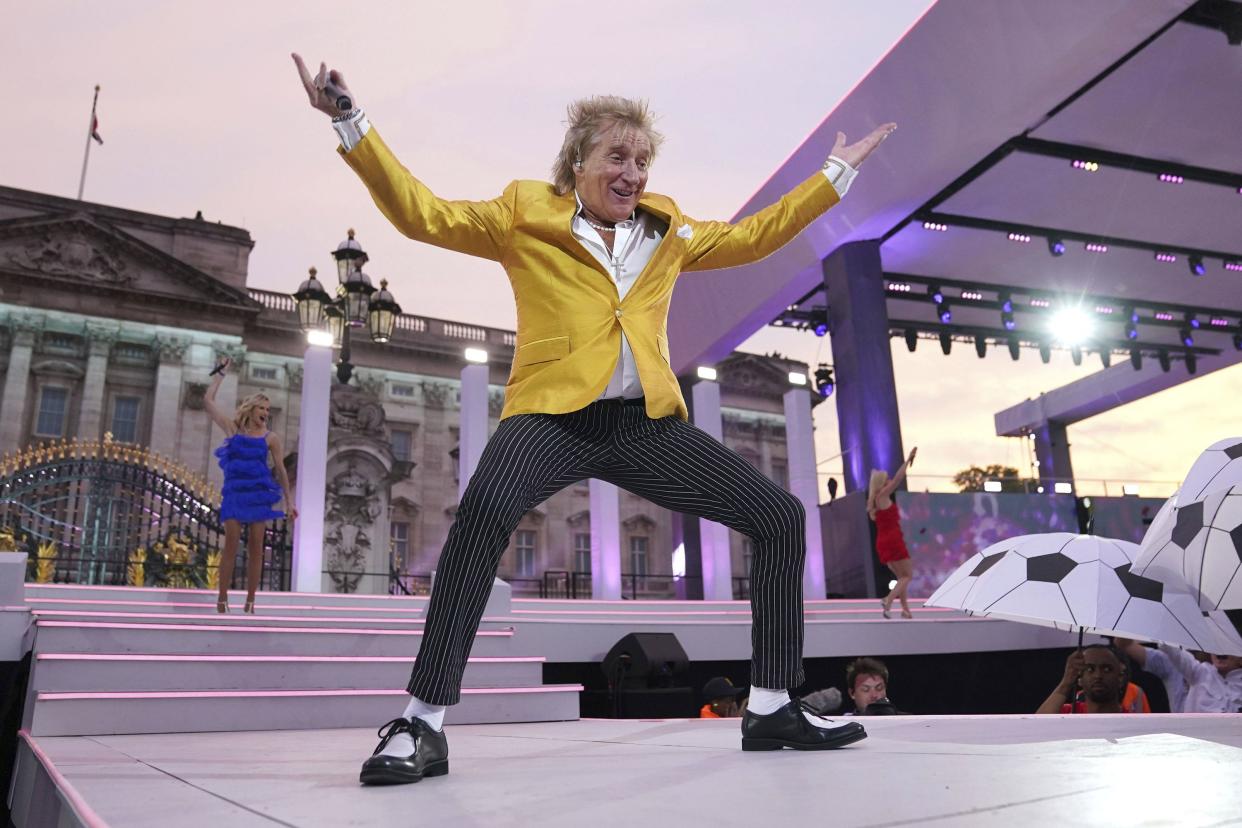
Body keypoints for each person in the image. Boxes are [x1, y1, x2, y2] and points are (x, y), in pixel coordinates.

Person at [293, 54, 895, 785]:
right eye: (618, 156)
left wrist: (834, 175)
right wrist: (351, 122)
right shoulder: (525, 213)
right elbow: (422, 214)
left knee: (778, 516)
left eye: (642, 160)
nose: (633, 172)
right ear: (579, 161)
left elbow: (754, 237)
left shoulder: (668, 230)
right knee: (482, 509)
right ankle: (423, 724)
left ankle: (770, 706)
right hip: (550, 415)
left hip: (642, 424)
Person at [203, 358, 296, 614]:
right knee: (231, 543)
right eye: (262, 409)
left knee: (257, 547)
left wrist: (289, 501)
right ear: (251, 409)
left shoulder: (271, 438)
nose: (266, 413)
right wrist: (220, 374)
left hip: (258, 494)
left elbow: (281, 470)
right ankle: (222, 599)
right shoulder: (233, 429)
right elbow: (208, 402)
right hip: (235, 492)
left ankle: (250, 601)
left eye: (268, 409)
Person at [867, 447, 918, 618]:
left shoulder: (875, 501)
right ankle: (888, 600)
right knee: (908, 575)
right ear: (882, 483)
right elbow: (898, 479)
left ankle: (905, 609)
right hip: (893, 539)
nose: (889, 480)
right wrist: (907, 461)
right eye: (886, 479)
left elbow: (894, 480)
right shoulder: (882, 496)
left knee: (901, 577)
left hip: (883, 540)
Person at [1036, 645, 1145, 714]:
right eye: (1090, 669)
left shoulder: (1130, 721)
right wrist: (1066, 682)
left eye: (1107, 669)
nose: (1098, 675)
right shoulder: (1067, 713)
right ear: (1079, 678)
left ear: (1121, 677)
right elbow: (1035, 728)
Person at [1153, 644, 1242, 713]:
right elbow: (1172, 650)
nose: (1221, 651)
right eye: (1217, 646)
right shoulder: (1200, 672)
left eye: (1227, 646)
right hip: (1196, 734)